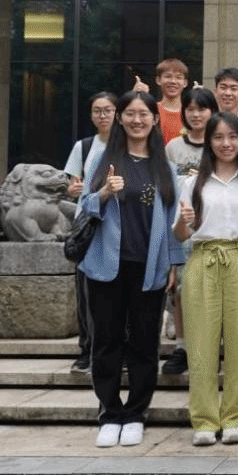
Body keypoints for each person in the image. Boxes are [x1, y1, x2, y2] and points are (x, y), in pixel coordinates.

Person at [78, 91, 182, 448]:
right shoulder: (104, 159)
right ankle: (109, 412)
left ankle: (137, 412)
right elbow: (83, 208)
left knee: (144, 343)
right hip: (106, 266)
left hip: (149, 267)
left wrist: (174, 264)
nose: (137, 120)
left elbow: (174, 220)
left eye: (144, 114)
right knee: (106, 341)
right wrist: (105, 192)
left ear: (155, 119)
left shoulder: (164, 166)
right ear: (120, 118)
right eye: (130, 113)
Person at [174, 113, 238, 446]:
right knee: (200, 344)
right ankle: (204, 420)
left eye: (233, 137)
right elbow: (180, 234)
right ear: (209, 142)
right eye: (218, 137)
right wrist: (185, 220)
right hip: (203, 259)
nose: (226, 143)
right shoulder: (193, 183)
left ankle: (233, 418)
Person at [161, 85, 218, 376]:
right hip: (183, 227)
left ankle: (212, 347)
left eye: (202, 109)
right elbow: (166, 193)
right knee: (182, 291)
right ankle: (182, 348)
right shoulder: (173, 147)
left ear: (212, 112)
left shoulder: (220, 143)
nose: (196, 115)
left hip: (215, 227)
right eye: (190, 109)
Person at [64, 91, 117, 374]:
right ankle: (86, 349)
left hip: (117, 226)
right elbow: (73, 185)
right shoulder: (84, 147)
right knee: (85, 292)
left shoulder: (127, 145)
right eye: (97, 111)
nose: (103, 115)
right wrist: (73, 190)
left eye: (108, 110)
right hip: (87, 227)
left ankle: (117, 350)